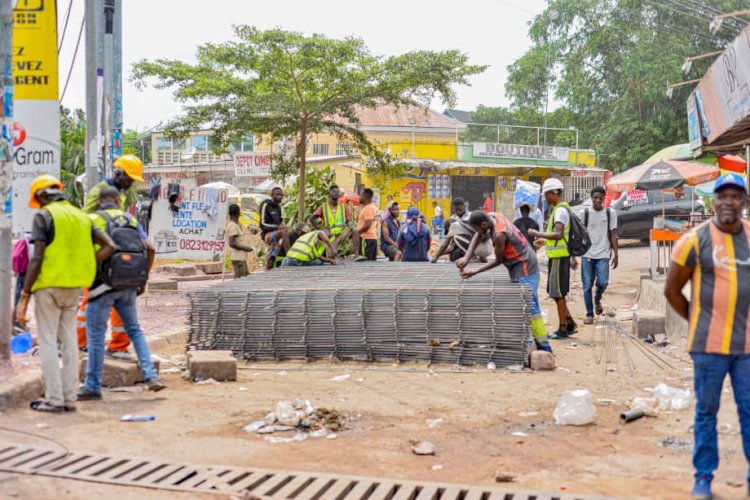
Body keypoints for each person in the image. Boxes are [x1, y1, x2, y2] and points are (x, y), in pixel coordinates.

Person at [664, 173, 750, 499]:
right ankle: (703, 478)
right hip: (708, 347)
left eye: (735, 196)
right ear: (713, 201)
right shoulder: (694, 241)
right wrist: (696, 319)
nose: (728, 201)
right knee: (706, 412)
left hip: (748, 348)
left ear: (744, 202)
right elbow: (672, 290)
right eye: (722, 196)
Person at [17, 175, 115, 413]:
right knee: (69, 341)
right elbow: (109, 246)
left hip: (49, 286)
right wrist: (87, 263)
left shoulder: (45, 215)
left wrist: (25, 294)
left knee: (49, 342)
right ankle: (70, 398)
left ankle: (54, 399)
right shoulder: (81, 216)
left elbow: (37, 257)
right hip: (74, 287)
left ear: (42, 195)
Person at [78, 187, 166, 401]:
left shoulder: (93, 219)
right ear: (118, 201)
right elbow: (150, 248)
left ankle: (92, 386)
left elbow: (83, 251)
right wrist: (143, 278)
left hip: (102, 286)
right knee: (135, 330)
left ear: (99, 202)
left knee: (96, 336)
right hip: (129, 283)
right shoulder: (131, 220)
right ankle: (151, 377)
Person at [77, 154, 145, 360]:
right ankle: (83, 343)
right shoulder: (101, 192)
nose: (131, 183)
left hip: (114, 255)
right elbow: (85, 221)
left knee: (118, 303)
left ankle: (118, 345)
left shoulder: (118, 193)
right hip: (102, 256)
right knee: (92, 301)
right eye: (130, 179)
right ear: (119, 173)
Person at [456, 211, 552, 353]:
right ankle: (529, 341)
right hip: (518, 263)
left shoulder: (499, 235)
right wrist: (467, 256)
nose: (477, 232)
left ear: (483, 224)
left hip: (525, 266)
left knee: (530, 306)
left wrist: (474, 272)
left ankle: (544, 347)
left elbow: (498, 261)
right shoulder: (493, 216)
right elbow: (479, 234)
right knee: (523, 304)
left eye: (477, 228)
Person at [528, 178, 578, 339]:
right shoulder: (559, 209)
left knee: (558, 293)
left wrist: (537, 233)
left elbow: (558, 234)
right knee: (556, 291)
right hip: (557, 256)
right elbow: (555, 236)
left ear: (553, 193)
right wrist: (544, 241)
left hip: (559, 258)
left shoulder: (560, 211)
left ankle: (563, 328)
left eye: (547, 195)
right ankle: (569, 321)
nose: (546, 198)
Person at [580, 186, 619, 324]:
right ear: (591, 197)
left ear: (604, 198)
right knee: (586, 286)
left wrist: (616, 254)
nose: (598, 200)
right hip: (587, 254)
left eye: (600, 197)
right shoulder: (584, 213)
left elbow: (613, 234)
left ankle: (597, 299)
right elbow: (579, 235)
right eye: (595, 197)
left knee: (603, 282)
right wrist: (574, 254)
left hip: (603, 253)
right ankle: (589, 314)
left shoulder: (610, 213)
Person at [259, 187, 290, 270]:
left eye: (281, 195)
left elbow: (280, 222)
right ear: (272, 195)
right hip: (267, 234)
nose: (280, 197)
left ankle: (267, 271)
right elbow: (262, 224)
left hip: (276, 234)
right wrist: (278, 227)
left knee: (272, 257)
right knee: (283, 232)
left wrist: (283, 225)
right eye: (278, 195)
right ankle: (289, 257)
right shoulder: (266, 205)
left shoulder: (278, 207)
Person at [227, 203, 254, 278]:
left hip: (241, 258)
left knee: (245, 278)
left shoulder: (237, 225)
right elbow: (232, 243)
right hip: (238, 258)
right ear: (238, 213)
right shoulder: (232, 226)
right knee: (240, 280)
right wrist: (246, 248)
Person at [353, 188, 378, 261]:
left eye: (360, 195)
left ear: (365, 196)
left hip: (366, 239)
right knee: (370, 264)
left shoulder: (368, 209)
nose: (359, 197)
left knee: (364, 263)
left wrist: (357, 233)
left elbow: (367, 225)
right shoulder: (373, 207)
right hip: (372, 239)